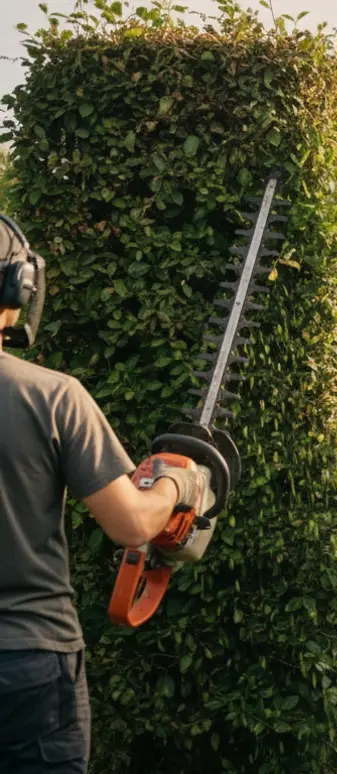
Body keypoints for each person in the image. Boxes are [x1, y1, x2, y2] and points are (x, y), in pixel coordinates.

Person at [0, 213, 209, 773]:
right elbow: (133, 524)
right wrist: (179, 482)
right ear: (17, 287)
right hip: (29, 663)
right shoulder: (52, 397)